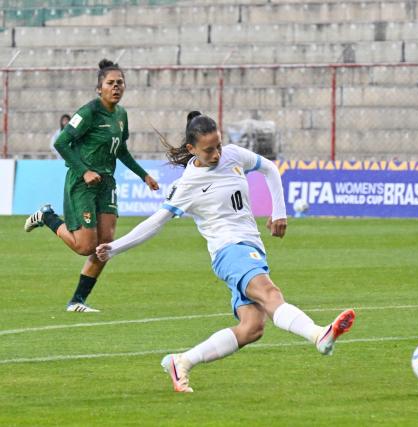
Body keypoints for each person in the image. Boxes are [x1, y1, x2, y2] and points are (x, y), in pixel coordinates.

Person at [95, 112, 356, 393]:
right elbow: (155, 223)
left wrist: (279, 211)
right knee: (271, 295)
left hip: (251, 247)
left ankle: (180, 362)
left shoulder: (232, 155)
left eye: (218, 145)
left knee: (252, 328)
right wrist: (114, 248)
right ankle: (319, 334)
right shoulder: (187, 185)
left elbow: (268, 167)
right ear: (191, 149)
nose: (217, 153)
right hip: (229, 251)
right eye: (209, 150)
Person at [24, 59, 160, 312]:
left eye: (120, 82)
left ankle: (77, 301)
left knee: (105, 246)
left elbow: (122, 151)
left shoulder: (121, 115)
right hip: (83, 182)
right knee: (85, 246)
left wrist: (144, 176)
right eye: (111, 83)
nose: (116, 87)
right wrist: (84, 171)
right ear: (99, 88)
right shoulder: (88, 112)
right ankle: (47, 216)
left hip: (106, 182)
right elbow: (62, 143)